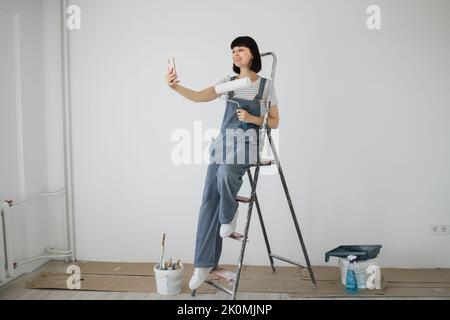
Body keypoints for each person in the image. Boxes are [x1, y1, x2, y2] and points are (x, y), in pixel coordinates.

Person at [165, 36, 279, 290]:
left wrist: (252, 117)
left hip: (248, 142)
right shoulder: (229, 83)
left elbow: (274, 121)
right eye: (232, 51)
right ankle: (204, 264)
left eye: (241, 49)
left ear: (252, 54)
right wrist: (175, 87)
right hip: (223, 143)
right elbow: (197, 96)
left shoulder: (265, 86)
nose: (235, 54)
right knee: (208, 200)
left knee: (227, 172)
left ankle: (229, 213)